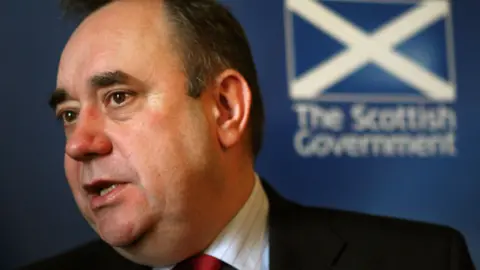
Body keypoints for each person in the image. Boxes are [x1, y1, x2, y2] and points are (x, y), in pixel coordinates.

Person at [20, 0, 475, 269]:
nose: (79, 143)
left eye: (119, 97)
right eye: (69, 113)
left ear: (225, 108)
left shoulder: (422, 261)